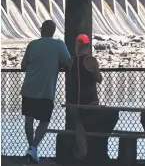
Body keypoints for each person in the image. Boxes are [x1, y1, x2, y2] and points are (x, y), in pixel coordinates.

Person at [20, 20, 71, 163]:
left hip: (29, 87)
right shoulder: (59, 45)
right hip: (46, 90)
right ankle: (34, 147)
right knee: (44, 120)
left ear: (41, 30)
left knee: (28, 119)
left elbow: (23, 65)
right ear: (54, 31)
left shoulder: (33, 44)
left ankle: (31, 147)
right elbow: (69, 63)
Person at [67, 34, 117, 163]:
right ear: (88, 45)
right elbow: (98, 79)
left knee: (79, 130)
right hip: (90, 101)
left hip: (74, 102)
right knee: (92, 129)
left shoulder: (71, 60)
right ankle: (91, 156)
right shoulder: (91, 60)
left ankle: (81, 154)